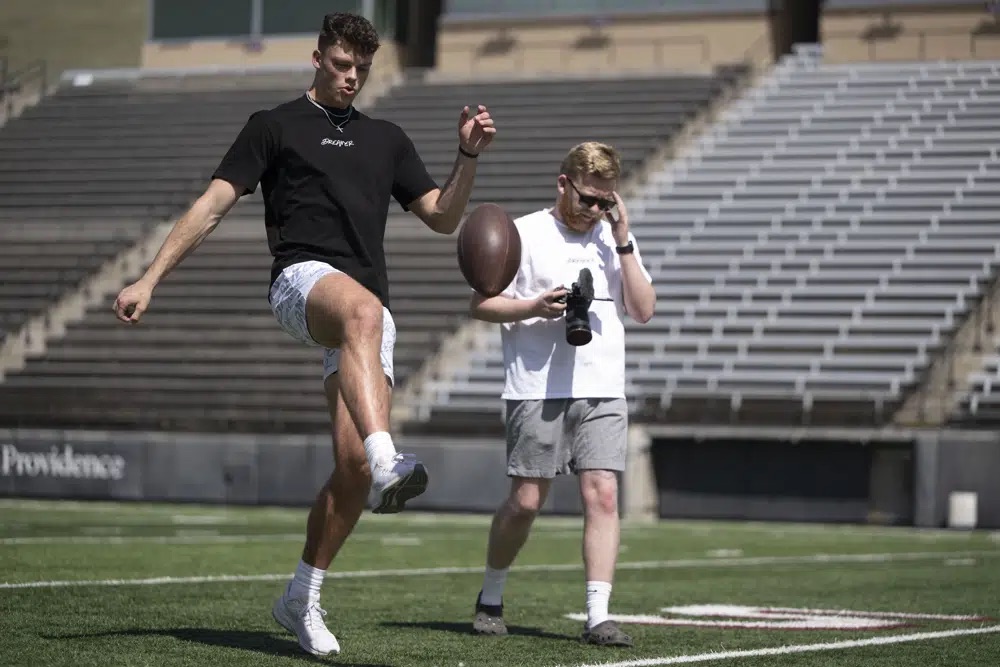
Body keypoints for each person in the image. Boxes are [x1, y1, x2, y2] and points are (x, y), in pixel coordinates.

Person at [112, 12, 495, 657]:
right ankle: (387, 462)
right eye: (343, 66)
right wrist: (149, 279)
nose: (352, 78)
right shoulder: (273, 126)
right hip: (301, 282)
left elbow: (442, 217)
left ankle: (301, 594)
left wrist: (467, 157)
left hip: (362, 318)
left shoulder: (388, 138)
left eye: (363, 70)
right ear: (317, 58)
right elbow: (210, 206)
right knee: (363, 318)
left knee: (346, 471)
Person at [467, 141, 655, 647]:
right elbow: (480, 306)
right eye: (589, 199)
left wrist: (623, 239)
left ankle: (598, 615)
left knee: (604, 493)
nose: (596, 210)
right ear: (563, 184)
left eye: (606, 201)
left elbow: (642, 309)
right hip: (536, 387)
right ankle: (491, 593)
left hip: (601, 389)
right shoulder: (522, 234)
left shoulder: (613, 239)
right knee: (526, 501)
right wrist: (534, 306)